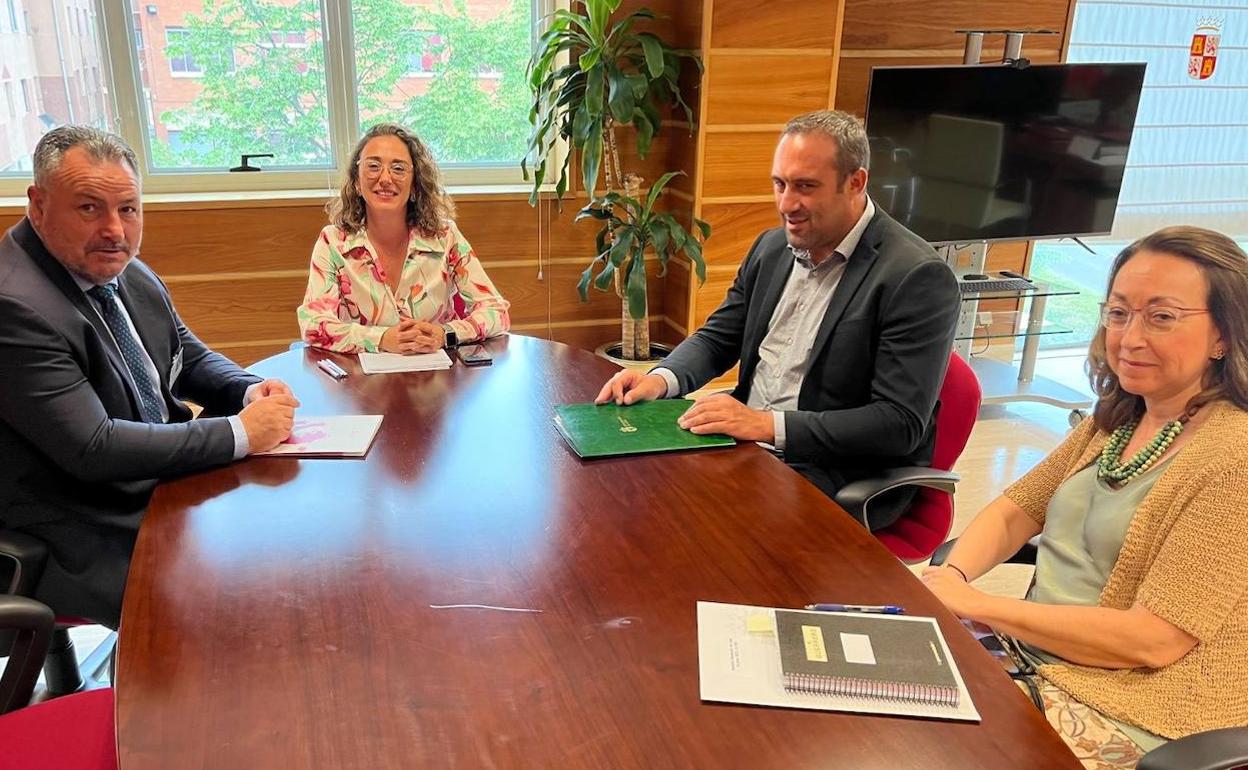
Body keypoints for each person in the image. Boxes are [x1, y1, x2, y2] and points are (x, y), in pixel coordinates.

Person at [922, 227, 1248, 769]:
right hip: (1030, 661)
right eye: (1118, 313)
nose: (1129, 338)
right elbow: (1016, 509)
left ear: (1223, 335)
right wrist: (951, 580)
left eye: (1161, 317)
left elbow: (1153, 640)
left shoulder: (1234, 458)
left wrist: (981, 607)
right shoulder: (1121, 415)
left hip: (1126, 706)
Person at [596, 110, 959, 530]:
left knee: (684, 527)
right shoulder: (771, 249)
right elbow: (719, 337)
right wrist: (660, 379)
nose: (787, 204)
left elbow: (898, 424)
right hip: (742, 446)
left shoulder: (916, 277)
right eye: (780, 184)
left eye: (805, 187)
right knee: (627, 487)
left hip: (833, 472)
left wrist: (766, 425)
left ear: (855, 183)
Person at [0, 126, 298, 629]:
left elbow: (185, 354)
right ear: (39, 204)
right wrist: (241, 433)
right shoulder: (14, 305)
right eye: (89, 208)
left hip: (154, 485)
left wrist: (249, 388)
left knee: (286, 544)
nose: (115, 230)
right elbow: (95, 448)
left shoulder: (124, 270)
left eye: (129, 209)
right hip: (78, 524)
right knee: (234, 604)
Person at [297, 123, 510, 354]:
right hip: (360, 383)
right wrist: (380, 339)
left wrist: (445, 334)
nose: (385, 178)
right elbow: (313, 324)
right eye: (373, 166)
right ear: (357, 182)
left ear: (416, 185)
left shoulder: (445, 237)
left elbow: (496, 311)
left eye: (398, 168)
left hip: (439, 380)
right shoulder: (333, 242)